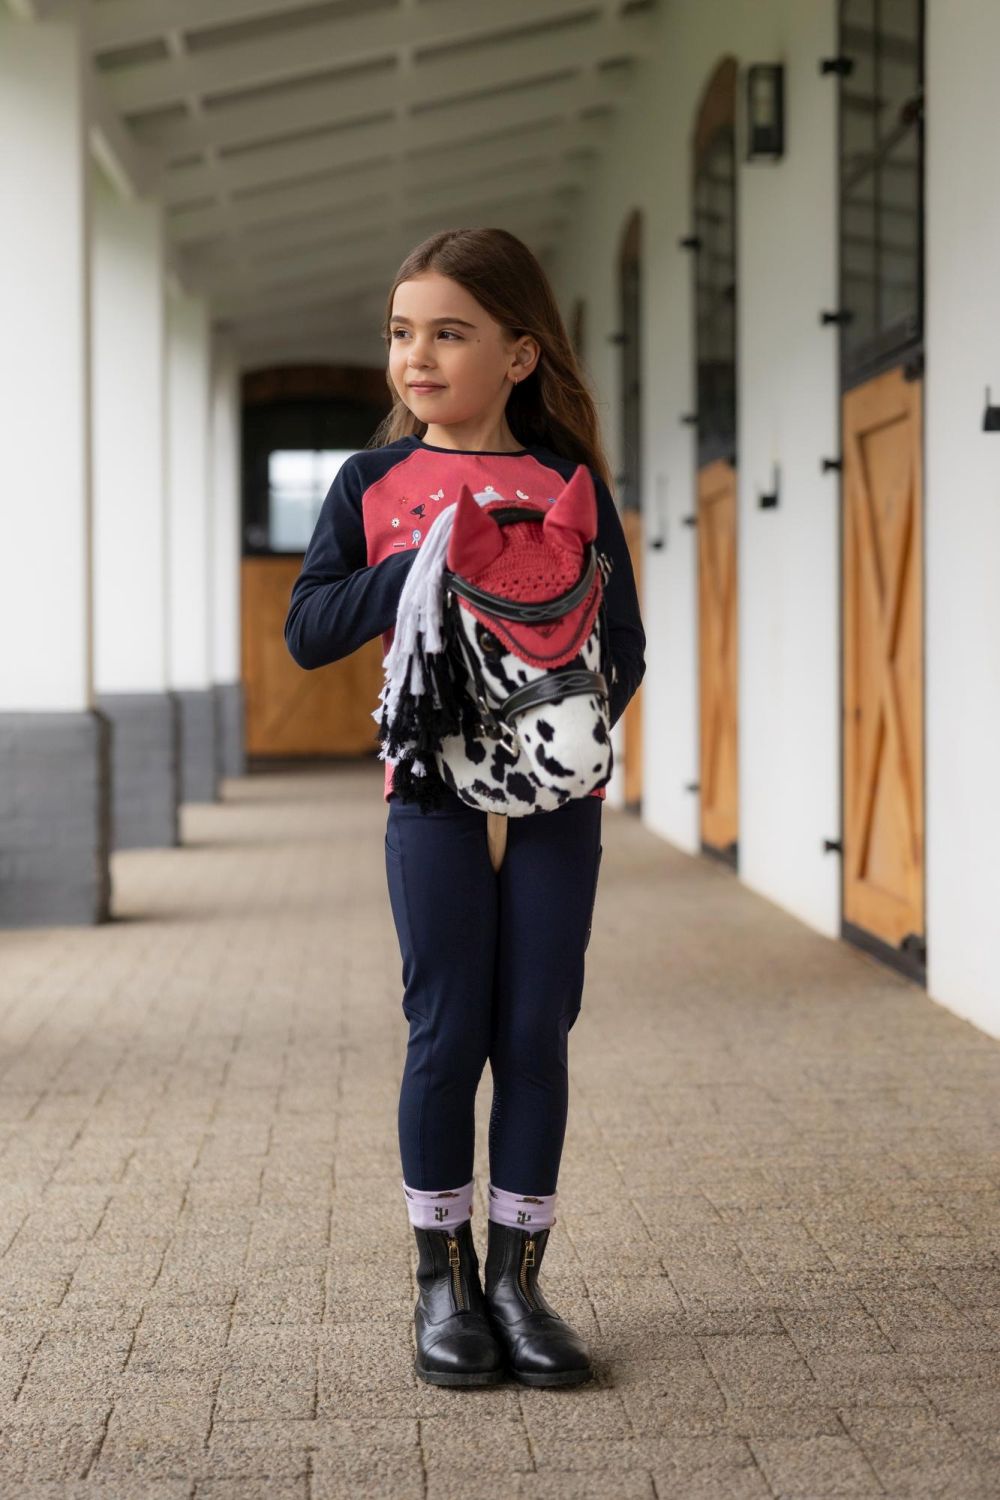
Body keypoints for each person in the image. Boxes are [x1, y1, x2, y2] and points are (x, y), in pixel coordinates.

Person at [285, 227, 645, 1389]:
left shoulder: (568, 490)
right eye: (402, 333)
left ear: (521, 353)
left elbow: (621, 647)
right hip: (428, 793)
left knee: (533, 1028)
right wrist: (418, 568)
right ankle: (440, 1285)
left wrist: (547, 735)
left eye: (449, 332)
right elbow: (310, 629)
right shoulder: (371, 486)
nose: (417, 356)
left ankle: (517, 1284)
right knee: (447, 1032)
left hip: (554, 798)